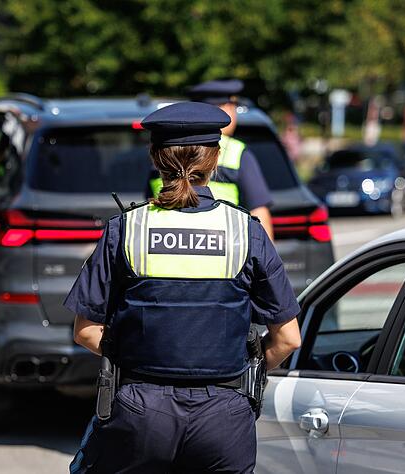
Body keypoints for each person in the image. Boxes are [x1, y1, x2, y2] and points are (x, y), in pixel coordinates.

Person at [67, 102, 302, 473]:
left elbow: (86, 331)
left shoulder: (127, 230)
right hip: (225, 418)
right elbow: (288, 339)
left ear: (154, 158)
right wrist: (245, 372)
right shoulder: (247, 232)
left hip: (140, 412)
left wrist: (137, 358)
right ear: (215, 159)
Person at [147, 79, 275, 239]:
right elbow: (259, 213)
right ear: (226, 109)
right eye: (233, 106)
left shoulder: (165, 148)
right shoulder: (237, 151)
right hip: (226, 244)